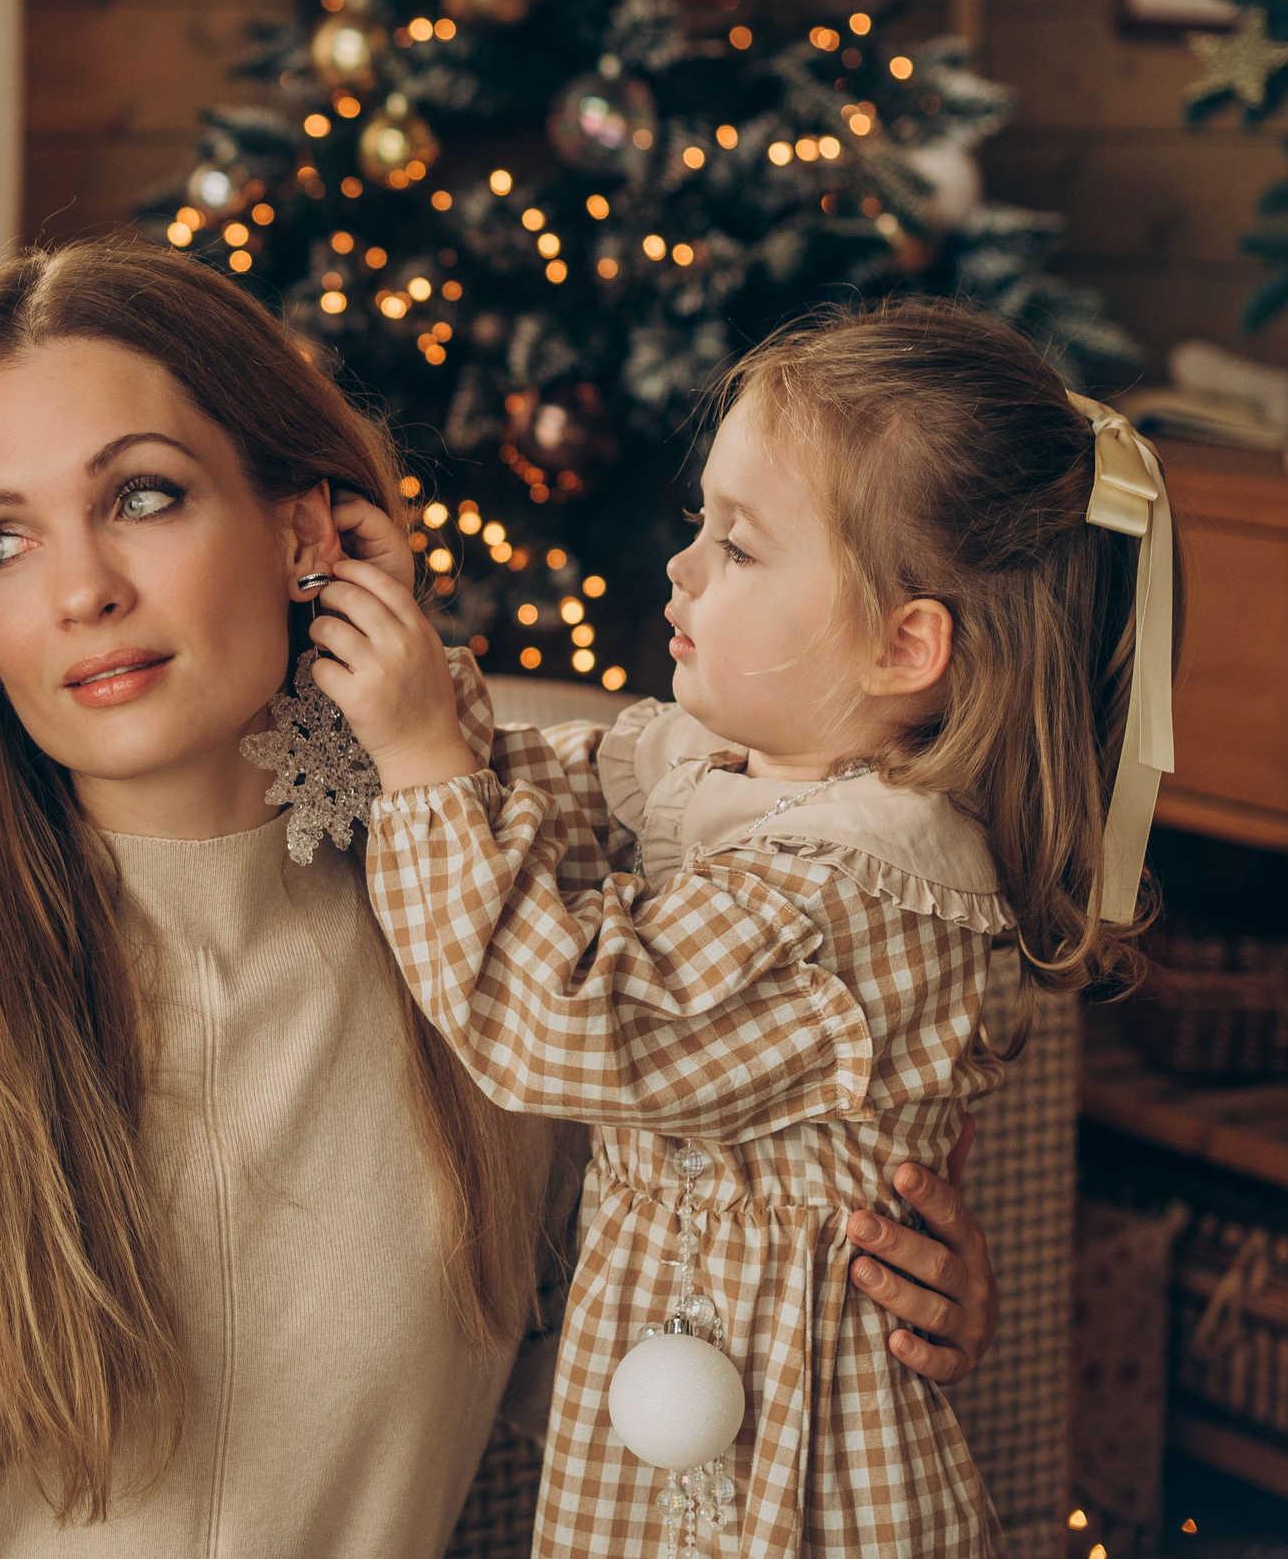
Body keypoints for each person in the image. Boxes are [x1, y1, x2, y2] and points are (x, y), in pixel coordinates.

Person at [0, 245, 1001, 1558]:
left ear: (307, 527)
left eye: (141, 496)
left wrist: (863, 1299)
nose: (79, 590)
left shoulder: (501, 971)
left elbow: (638, 1369)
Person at [309, 297, 1176, 1556]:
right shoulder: (715, 770)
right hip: (672, 1447)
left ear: (901, 642)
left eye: (741, 546)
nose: (681, 568)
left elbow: (561, 1020)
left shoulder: (855, 895)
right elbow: (537, 804)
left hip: (797, 1490)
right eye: (696, 525)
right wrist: (414, 680)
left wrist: (418, 761)